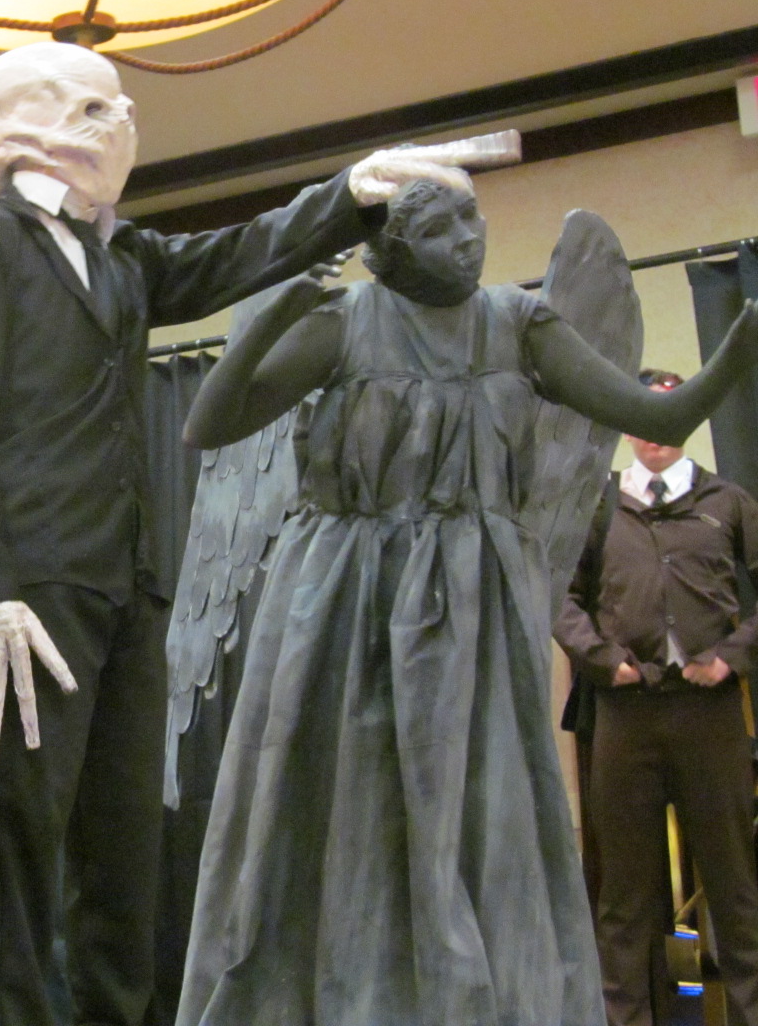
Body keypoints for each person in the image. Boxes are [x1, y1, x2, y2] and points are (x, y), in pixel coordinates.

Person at [0, 40, 467, 1026]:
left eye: (122, 106)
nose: (123, 124)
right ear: (23, 127)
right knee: (20, 847)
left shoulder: (123, 257)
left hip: (128, 587)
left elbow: (232, 256)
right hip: (30, 592)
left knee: (124, 852)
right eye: (96, 108)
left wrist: (349, 194)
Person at [173, 179, 758, 1025]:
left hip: (472, 600)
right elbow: (209, 424)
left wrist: (734, 353)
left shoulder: (516, 324)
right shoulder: (346, 322)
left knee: (475, 801)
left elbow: (654, 413)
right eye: (445, 226)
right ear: (393, 245)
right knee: (347, 792)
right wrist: (271, 317)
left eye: (474, 219)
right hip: (345, 597)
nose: (471, 237)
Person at [554, 369, 758, 1026]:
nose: (656, 432)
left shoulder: (728, 501)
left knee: (735, 886)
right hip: (625, 717)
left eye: (669, 414)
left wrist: (732, 657)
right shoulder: (597, 504)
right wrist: (601, 659)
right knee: (625, 895)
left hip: (709, 716)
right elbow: (557, 594)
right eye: (643, 415)